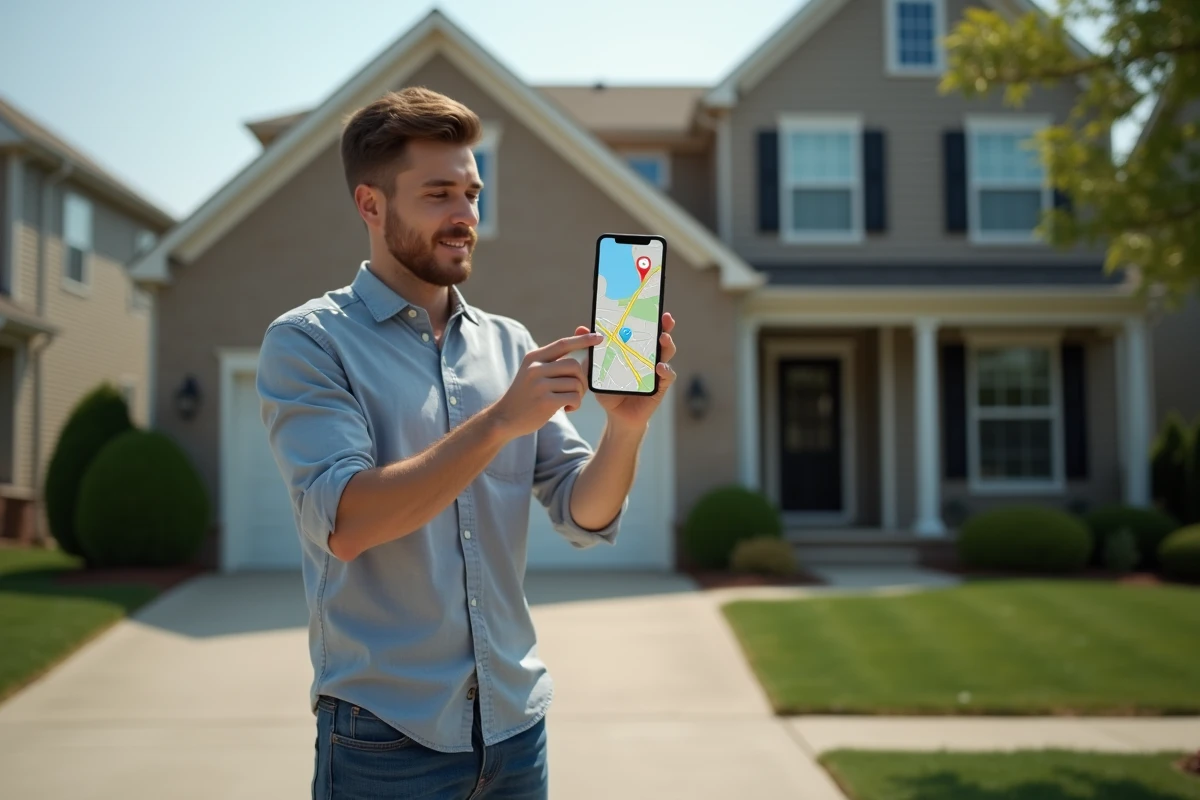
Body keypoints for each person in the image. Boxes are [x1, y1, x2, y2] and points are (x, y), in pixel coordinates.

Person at [256, 86, 678, 799]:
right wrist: (499, 423)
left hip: (516, 734)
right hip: (386, 741)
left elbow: (586, 514)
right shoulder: (308, 342)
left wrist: (626, 429)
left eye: (473, 193)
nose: (464, 217)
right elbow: (349, 523)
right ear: (371, 205)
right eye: (439, 194)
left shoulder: (509, 347)